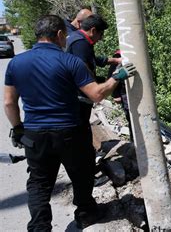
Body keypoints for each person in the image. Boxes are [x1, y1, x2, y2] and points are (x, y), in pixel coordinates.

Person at [3, 15, 137, 230]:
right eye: (65, 36)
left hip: (35, 134)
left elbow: (9, 103)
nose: (66, 39)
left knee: (39, 183)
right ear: (58, 35)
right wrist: (116, 77)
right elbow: (96, 94)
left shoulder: (16, 63)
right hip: (69, 132)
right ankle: (86, 214)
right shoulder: (71, 61)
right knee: (81, 174)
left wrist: (18, 129)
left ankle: (39, 227)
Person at [66, 14, 122, 159]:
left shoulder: (78, 38)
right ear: (93, 30)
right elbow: (83, 68)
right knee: (81, 130)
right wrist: (99, 85)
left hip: (76, 94)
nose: (101, 38)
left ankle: (85, 158)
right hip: (78, 96)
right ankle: (85, 162)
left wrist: (114, 60)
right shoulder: (80, 43)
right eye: (101, 34)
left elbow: (93, 59)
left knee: (81, 129)